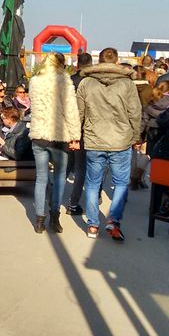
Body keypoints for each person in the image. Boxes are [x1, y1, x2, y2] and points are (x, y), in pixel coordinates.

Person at [76, 47, 142, 241]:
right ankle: (113, 220)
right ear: (116, 61)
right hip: (120, 139)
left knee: (93, 183)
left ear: (100, 60)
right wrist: (136, 136)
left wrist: (75, 135)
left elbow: (79, 112)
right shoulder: (127, 84)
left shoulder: (86, 82)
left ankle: (93, 226)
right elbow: (135, 112)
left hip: (94, 138)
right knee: (121, 182)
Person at [28, 53, 81, 233]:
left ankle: (39, 220)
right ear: (61, 64)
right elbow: (71, 111)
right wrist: (75, 136)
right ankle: (55, 217)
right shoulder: (64, 81)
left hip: (39, 134)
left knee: (41, 178)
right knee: (59, 178)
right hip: (58, 135)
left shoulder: (35, 81)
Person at [66, 52, 93, 216]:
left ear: (77, 64)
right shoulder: (91, 82)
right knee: (81, 168)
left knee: (66, 165)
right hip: (84, 128)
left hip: (68, 126)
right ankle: (73, 203)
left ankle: (53, 197)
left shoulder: (69, 80)